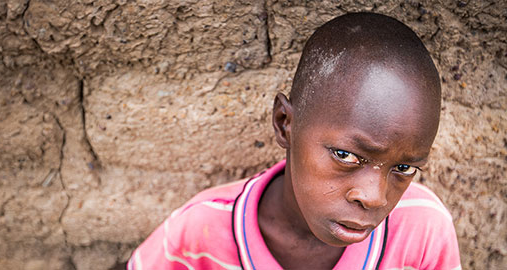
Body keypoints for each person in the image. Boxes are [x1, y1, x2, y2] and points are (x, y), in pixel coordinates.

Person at [127, 12, 461, 270]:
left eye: (403, 167)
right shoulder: (198, 234)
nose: (373, 198)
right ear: (285, 123)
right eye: (345, 154)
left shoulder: (423, 231)